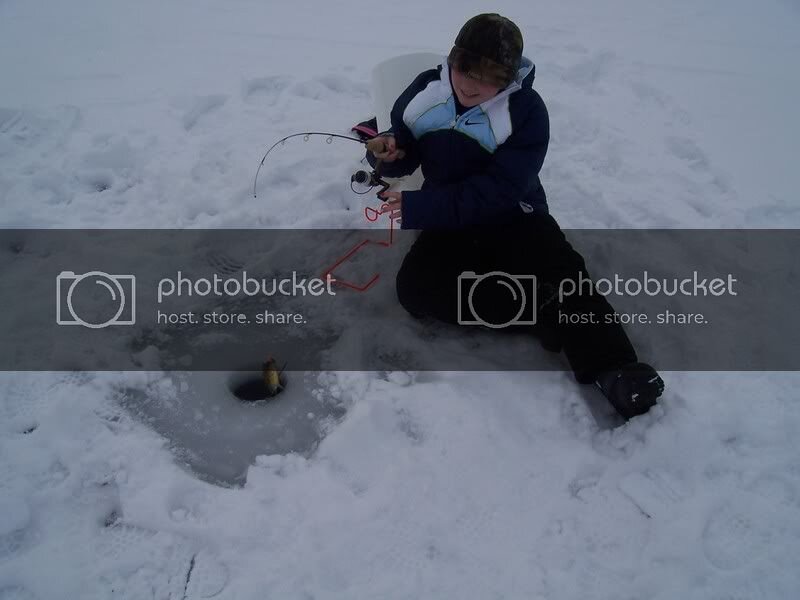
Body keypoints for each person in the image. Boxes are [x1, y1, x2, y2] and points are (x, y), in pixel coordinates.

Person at [364, 13, 664, 419]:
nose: (470, 85)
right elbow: (407, 147)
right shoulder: (424, 91)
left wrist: (422, 207)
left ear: (507, 78)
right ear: (452, 60)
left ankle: (614, 369)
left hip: (513, 214)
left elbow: (500, 191)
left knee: (563, 273)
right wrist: (388, 153)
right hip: (450, 221)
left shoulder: (526, 112)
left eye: (487, 79)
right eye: (463, 70)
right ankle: (542, 314)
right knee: (416, 292)